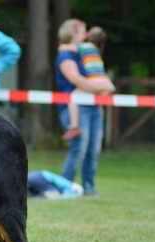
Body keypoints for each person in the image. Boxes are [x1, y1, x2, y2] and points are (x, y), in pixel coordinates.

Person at [55, 19, 115, 195]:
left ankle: (89, 187)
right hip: (75, 107)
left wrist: (102, 87)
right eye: (82, 31)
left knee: (93, 149)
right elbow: (77, 80)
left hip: (93, 105)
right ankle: (65, 186)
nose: (85, 34)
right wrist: (104, 87)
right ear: (73, 32)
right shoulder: (66, 55)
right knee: (79, 148)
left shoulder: (83, 52)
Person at [64, 26, 111, 140]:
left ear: (89, 36)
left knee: (73, 97)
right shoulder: (97, 50)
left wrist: (63, 46)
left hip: (93, 79)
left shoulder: (86, 46)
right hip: (103, 79)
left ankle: (74, 126)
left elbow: (71, 48)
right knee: (98, 101)